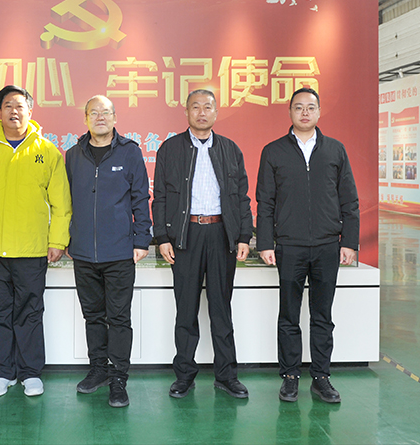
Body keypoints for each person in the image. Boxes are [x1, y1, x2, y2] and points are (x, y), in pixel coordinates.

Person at [0, 85, 72, 397]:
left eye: (20, 106)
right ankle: (4, 372)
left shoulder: (47, 152)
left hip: (32, 249)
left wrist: (58, 240)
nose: (14, 111)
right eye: (8, 105)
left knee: (30, 312)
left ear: (30, 111)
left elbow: (61, 204)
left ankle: (31, 373)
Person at [256, 87, 360, 404]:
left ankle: (321, 377)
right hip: (289, 246)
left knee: (322, 315)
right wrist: (265, 243)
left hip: (328, 246)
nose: (305, 112)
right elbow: (265, 202)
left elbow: (349, 200)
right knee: (289, 315)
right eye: (299, 107)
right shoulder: (273, 151)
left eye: (310, 107)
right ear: (289, 112)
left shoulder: (335, 150)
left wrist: (349, 242)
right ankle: (290, 377)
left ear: (318, 112)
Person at [152, 89, 253, 399]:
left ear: (216, 113)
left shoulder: (230, 149)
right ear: (186, 112)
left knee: (222, 309)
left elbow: (242, 198)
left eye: (208, 107)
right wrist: (162, 237)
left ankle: (227, 376)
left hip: (222, 235)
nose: (201, 112)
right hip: (186, 236)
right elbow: (160, 197)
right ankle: (184, 376)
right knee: (186, 311)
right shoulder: (170, 149)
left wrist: (243, 236)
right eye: (195, 107)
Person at [65, 95, 152, 408]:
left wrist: (142, 240)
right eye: (94, 112)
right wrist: (66, 240)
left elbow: (140, 197)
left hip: (119, 252)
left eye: (106, 112)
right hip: (83, 253)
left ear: (115, 118)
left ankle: (118, 378)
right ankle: (98, 370)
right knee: (92, 316)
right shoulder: (73, 155)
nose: (100, 117)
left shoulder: (129, 152)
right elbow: (65, 201)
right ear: (85, 118)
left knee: (119, 318)